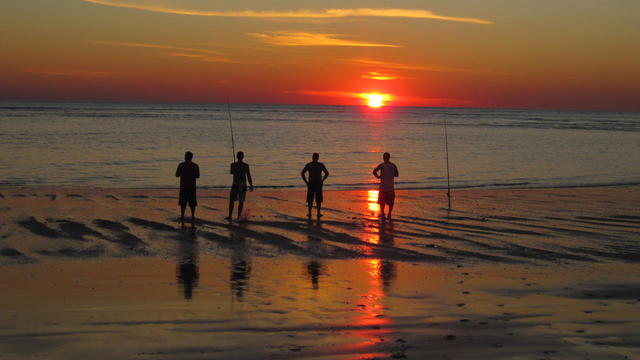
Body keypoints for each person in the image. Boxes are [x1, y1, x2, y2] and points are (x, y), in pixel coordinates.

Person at [301, 153, 330, 218]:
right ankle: (317, 213)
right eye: (316, 157)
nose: (316, 158)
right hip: (317, 183)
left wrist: (306, 182)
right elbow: (327, 173)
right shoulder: (319, 165)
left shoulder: (309, 165)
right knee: (316, 199)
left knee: (311, 199)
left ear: (313, 157)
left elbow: (302, 173)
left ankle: (311, 213)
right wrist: (322, 180)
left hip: (312, 183)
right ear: (317, 158)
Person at [175, 151, 200, 227]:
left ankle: (182, 215)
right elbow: (198, 176)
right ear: (191, 157)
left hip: (183, 186)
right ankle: (193, 216)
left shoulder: (181, 165)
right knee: (192, 202)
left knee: (183, 202)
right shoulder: (195, 165)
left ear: (185, 157)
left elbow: (177, 175)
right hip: (192, 186)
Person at [227, 151, 253, 220]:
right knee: (241, 201)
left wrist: (236, 166)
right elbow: (248, 176)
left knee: (232, 200)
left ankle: (230, 216)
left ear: (237, 156)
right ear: (243, 157)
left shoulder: (233, 164)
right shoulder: (246, 165)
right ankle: (238, 216)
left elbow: (232, 172)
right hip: (243, 184)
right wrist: (251, 185)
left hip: (235, 183)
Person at [373, 152, 399, 220]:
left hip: (383, 187)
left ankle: (383, 214)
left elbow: (374, 171)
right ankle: (389, 214)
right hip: (390, 187)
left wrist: (378, 177)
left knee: (382, 202)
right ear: (389, 157)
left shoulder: (382, 165)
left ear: (383, 158)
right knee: (391, 202)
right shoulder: (393, 165)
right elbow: (396, 175)